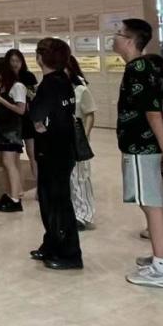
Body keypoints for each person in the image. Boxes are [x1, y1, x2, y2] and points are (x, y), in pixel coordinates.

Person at [113, 18, 163, 290]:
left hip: (141, 146)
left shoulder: (137, 68)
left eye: (118, 33)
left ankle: (161, 269)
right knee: (156, 203)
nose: (114, 37)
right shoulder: (145, 66)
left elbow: (153, 110)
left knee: (151, 204)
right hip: (142, 145)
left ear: (129, 40)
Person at [28, 38, 82, 271]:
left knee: (56, 203)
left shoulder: (49, 84)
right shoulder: (65, 80)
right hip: (64, 149)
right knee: (54, 201)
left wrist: (38, 123)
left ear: (40, 58)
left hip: (52, 151)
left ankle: (69, 253)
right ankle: (52, 243)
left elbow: (36, 117)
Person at [0, 57, 27, 211]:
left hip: (11, 130)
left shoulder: (17, 86)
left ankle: (16, 199)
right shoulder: (3, 86)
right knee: (2, 162)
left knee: (9, 162)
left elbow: (20, 110)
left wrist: (0, 100)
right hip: (1, 128)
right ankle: (9, 193)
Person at [67, 57, 97, 231]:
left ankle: (84, 215)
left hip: (78, 138)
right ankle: (72, 211)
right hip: (62, 138)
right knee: (69, 178)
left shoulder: (81, 90)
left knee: (80, 176)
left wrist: (84, 136)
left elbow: (90, 114)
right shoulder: (57, 90)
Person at [6, 49, 39, 191]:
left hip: (28, 119)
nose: (15, 64)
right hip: (13, 121)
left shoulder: (28, 76)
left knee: (33, 154)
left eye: (18, 61)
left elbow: (37, 96)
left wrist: (29, 93)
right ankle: (18, 188)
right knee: (15, 157)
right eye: (12, 61)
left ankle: (39, 187)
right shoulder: (6, 78)